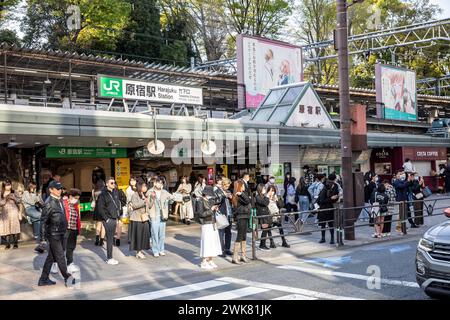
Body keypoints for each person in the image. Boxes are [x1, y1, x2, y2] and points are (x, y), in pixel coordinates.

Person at [38, 180, 75, 287]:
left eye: (60, 188)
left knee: (52, 257)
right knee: (60, 256)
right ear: (51, 190)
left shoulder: (59, 200)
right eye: (57, 189)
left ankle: (43, 279)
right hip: (54, 234)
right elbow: (43, 221)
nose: (60, 190)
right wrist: (43, 239)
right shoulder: (49, 203)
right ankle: (67, 277)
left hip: (61, 232)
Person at [147, 177, 174, 257]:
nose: (160, 184)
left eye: (162, 183)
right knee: (154, 234)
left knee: (162, 235)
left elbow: (172, 198)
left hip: (163, 216)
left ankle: (161, 249)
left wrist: (169, 200)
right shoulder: (150, 191)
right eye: (159, 183)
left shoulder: (164, 192)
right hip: (154, 215)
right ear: (155, 183)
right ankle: (155, 250)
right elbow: (148, 204)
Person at [97, 177, 122, 265]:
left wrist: (118, 218)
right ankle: (109, 258)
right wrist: (106, 219)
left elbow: (117, 206)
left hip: (114, 218)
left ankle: (110, 257)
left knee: (110, 238)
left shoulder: (115, 193)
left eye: (114, 183)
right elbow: (100, 208)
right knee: (110, 239)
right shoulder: (103, 194)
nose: (113, 184)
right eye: (111, 183)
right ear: (107, 184)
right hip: (108, 219)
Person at [198, 185, 222, 269]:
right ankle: (204, 261)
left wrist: (215, 209)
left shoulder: (210, 200)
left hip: (213, 223)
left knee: (213, 242)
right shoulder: (200, 201)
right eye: (209, 194)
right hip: (206, 224)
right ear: (205, 194)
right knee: (207, 243)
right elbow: (201, 214)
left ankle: (211, 260)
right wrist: (211, 210)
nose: (211, 196)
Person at [129, 180, 151, 259]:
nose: (145, 187)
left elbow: (149, 206)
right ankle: (138, 252)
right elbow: (134, 206)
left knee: (144, 236)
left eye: (146, 186)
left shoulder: (145, 195)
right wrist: (144, 202)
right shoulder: (135, 195)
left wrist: (152, 199)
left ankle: (140, 251)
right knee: (138, 236)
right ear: (140, 187)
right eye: (144, 186)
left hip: (144, 218)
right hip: (137, 219)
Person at [231, 179, 251, 264]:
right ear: (239, 186)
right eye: (242, 185)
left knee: (244, 236)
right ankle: (235, 257)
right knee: (239, 236)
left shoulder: (241, 195)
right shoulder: (238, 195)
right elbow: (247, 201)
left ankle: (243, 255)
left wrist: (243, 194)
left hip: (245, 216)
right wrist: (242, 194)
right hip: (241, 217)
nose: (244, 187)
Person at [317, 174, 340, 244]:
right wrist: (331, 198)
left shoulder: (336, 186)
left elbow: (336, 195)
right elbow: (321, 200)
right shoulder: (324, 186)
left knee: (330, 224)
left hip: (330, 207)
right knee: (323, 224)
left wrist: (337, 197)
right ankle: (323, 238)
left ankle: (332, 239)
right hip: (323, 208)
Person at [63, 188, 81, 274]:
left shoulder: (76, 205)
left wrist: (78, 229)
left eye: (78, 198)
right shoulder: (64, 203)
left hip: (74, 229)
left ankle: (70, 264)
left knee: (70, 248)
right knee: (61, 248)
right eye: (76, 198)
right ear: (70, 196)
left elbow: (78, 217)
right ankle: (55, 263)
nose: (77, 200)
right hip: (65, 229)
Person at [214, 177, 233, 257]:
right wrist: (223, 196)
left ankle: (227, 248)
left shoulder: (228, 191)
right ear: (222, 185)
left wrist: (231, 197)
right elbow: (216, 201)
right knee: (221, 233)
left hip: (229, 214)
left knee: (228, 232)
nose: (227, 188)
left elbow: (232, 201)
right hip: (221, 214)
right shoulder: (217, 191)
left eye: (228, 186)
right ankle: (221, 250)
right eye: (226, 186)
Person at [0, 179, 22, 249]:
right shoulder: (1, 193)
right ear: (4, 186)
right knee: (6, 227)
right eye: (6, 185)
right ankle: (7, 244)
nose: (8, 186)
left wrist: (14, 198)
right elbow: (1, 203)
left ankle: (15, 243)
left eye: (9, 185)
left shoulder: (14, 192)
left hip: (14, 210)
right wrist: (6, 199)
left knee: (14, 226)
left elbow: (19, 201)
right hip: (5, 212)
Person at [255, 184, 272, 251]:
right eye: (264, 188)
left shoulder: (263, 196)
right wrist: (267, 196)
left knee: (266, 230)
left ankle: (262, 244)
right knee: (264, 230)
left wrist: (267, 197)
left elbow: (266, 202)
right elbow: (265, 203)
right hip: (262, 216)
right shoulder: (257, 197)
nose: (265, 190)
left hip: (266, 215)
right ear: (260, 189)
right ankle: (262, 245)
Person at [92, 179, 106, 246]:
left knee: (98, 224)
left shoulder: (94, 191)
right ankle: (101, 240)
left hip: (97, 208)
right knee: (103, 225)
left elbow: (93, 199)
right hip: (103, 208)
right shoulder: (104, 191)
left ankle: (97, 240)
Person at [115, 182, 127, 246]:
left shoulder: (110, 192)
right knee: (119, 224)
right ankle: (118, 239)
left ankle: (113, 238)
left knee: (114, 224)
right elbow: (125, 200)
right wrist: (122, 205)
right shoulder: (120, 192)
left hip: (112, 211)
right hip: (120, 210)